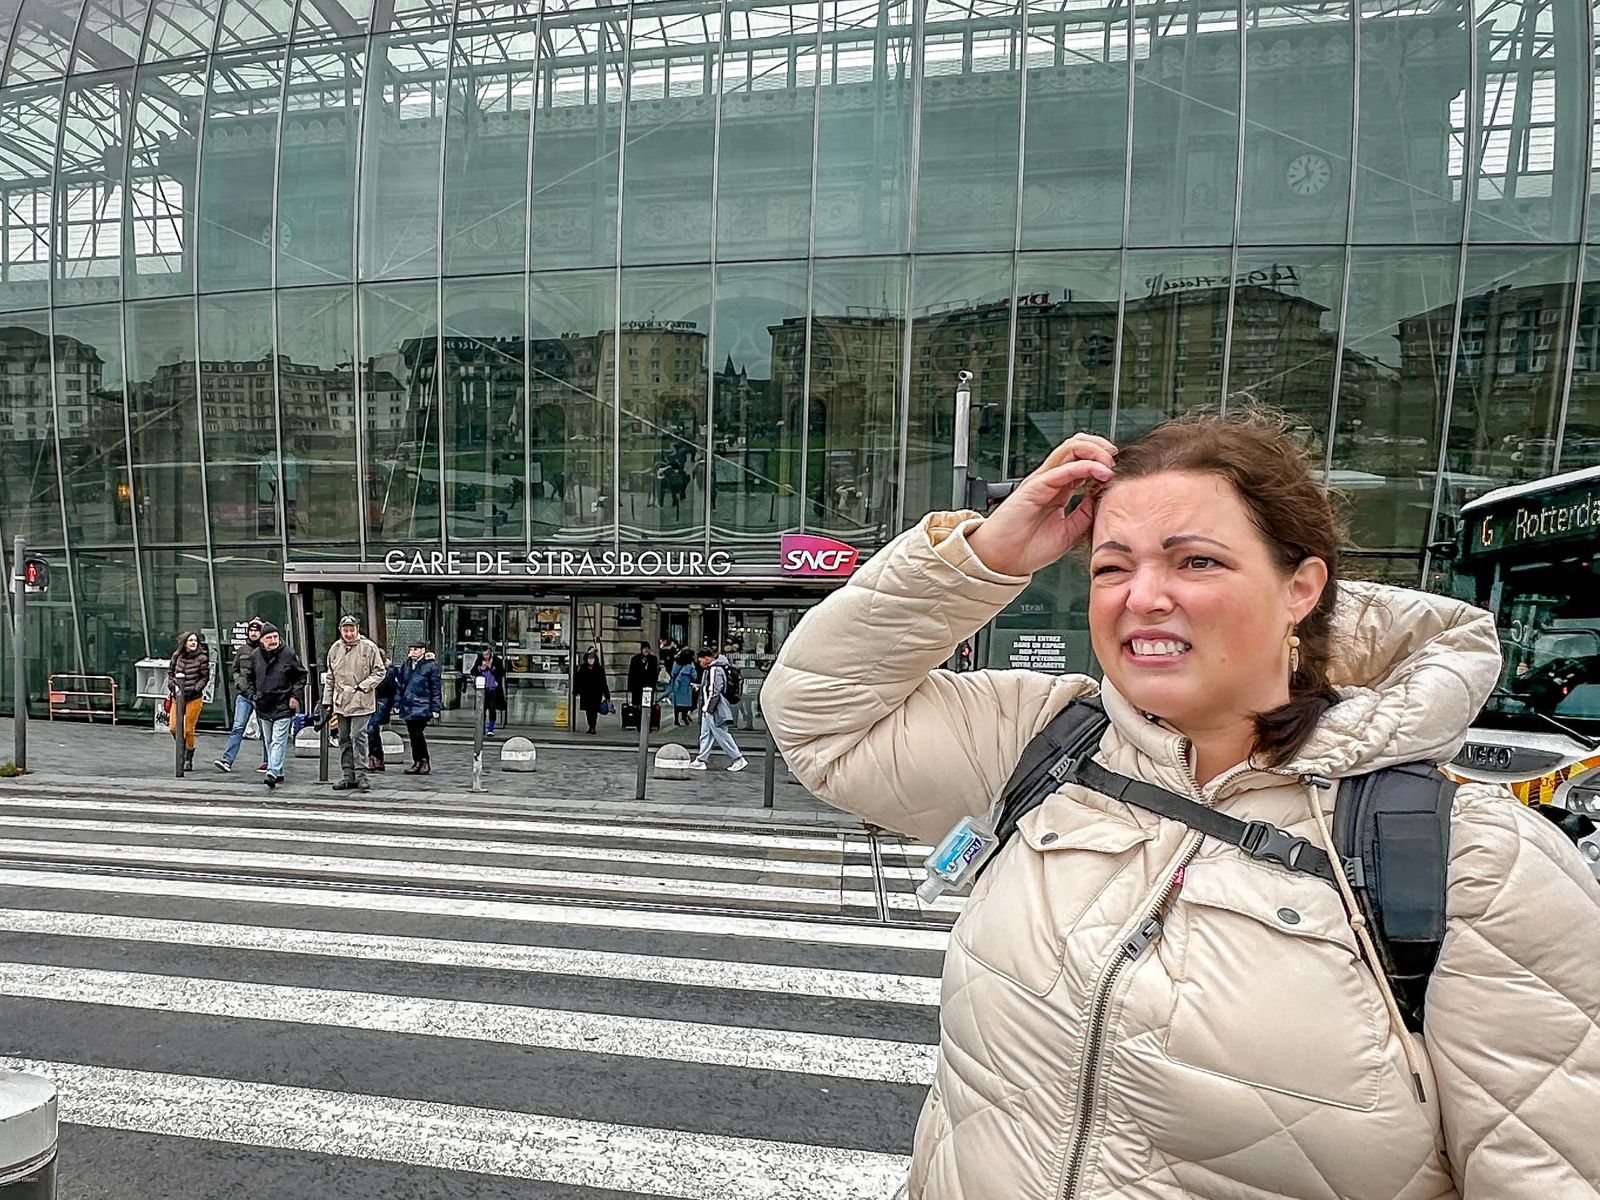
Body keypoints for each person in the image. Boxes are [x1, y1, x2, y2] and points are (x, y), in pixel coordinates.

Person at [760, 410, 1600, 1200]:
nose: (1142, 595)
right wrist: (985, 554)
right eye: (1111, 565)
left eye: (1196, 561)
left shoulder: (1476, 861)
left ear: (1302, 587)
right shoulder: (1047, 739)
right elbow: (821, 717)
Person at [322, 614, 386, 792]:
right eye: (345, 630)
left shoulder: (368, 647)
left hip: (361, 701)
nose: (349, 633)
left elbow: (380, 672)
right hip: (341, 702)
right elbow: (330, 677)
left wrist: (363, 686)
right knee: (343, 738)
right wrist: (327, 701)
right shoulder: (335, 649)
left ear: (357, 630)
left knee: (358, 735)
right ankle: (347, 774)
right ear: (340, 631)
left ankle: (362, 774)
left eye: (352, 630)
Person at [246, 623, 305, 790]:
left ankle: (272, 771)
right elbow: (248, 677)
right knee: (269, 740)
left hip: (283, 703)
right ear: (262, 641)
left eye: (275, 637)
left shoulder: (288, 654)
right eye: (268, 638)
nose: (273, 641)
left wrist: (295, 696)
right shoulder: (255, 656)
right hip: (263, 703)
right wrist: (253, 695)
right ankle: (278, 771)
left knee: (279, 739)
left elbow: (301, 676)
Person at [215, 617, 268, 773]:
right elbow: (235, 668)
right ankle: (227, 760)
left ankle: (268, 761)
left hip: (260, 695)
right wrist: (239, 682)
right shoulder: (242, 649)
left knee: (265, 730)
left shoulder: (266, 650)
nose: (253, 633)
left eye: (256, 630)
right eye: (251, 630)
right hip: (244, 695)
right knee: (238, 727)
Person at [689, 646, 746, 772]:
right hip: (710, 707)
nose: (700, 663)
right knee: (706, 734)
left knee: (721, 733)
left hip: (713, 707)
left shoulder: (715, 669)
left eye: (700, 660)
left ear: (707, 658)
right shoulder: (713, 668)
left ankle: (738, 758)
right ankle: (701, 759)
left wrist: (708, 708)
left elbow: (715, 691)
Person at [394, 641, 441, 774]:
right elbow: (400, 685)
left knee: (417, 733)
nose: (413, 652)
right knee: (413, 735)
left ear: (422, 651)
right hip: (408, 704)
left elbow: (435, 688)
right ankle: (417, 761)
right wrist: (397, 703)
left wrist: (435, 708)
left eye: (416, 649)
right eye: (411, 649)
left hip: (422, 704)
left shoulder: (430, 666)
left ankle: (424, 760)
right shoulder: (406, 665)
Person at [167, 631, 209, 772]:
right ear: (184, 642)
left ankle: (188, 757)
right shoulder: (176, 656)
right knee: (173, 727)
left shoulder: (202, 658)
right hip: (177, 696)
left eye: (195, 641)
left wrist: (196, 688)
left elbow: (205, 677)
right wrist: (172, 684)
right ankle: (182, 745)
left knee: (188, 728)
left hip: (193, 697)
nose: (193, 643)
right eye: (190, 640)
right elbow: (171, 673)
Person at [365, 660, 402, 771]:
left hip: (381, 701)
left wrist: (395, 704)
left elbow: (393, 689)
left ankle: (376, 758)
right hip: (371, 701)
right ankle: (374, 758)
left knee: (372, 727)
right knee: (371, 729)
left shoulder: (389, 672)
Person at [471, 647, 507, 734]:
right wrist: (480, 668)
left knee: (492, 708)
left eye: (487, 654)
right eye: (484, 654)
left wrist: (492, 667)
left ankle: (490, 728)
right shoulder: (479, 660)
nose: (486, 656)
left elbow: (502, 672)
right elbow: (472, 671)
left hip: (493, 688)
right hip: (482, 689)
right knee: (482, 709)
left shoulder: (497, 660)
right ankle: (481, 728)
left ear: (490, 652)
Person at [573, 650, 610, 734]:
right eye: (590, 654)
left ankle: (593, 726)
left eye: (593, 654)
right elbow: (578, 679)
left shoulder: (599, 667)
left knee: (594, 710)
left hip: (596, 692)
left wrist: (606, 694)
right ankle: (590, 725)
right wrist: (576, 690)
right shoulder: (583, 667)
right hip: (586, 692)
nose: (591, 656)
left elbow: (603, 681)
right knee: (588, 711)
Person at [627, 641, 660, 712]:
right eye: (644, 648)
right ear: (641, 649)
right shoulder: (635, 659)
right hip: (637, 687)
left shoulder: (653, 659)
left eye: (648, 648)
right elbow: (631, 673)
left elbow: (655, 673)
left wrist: (654, 685)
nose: (646, 650)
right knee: (636, 705)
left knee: (647, 706)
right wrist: (630, 687)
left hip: (648, 687)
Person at [668, 647, 697, 726]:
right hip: (686, 685)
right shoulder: (691, 664)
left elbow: (673, 673)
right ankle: (684, 717)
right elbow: (694, 675)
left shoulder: (676, 662)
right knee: (686, 703)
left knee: (677, 703)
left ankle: (676, 719)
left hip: (678, 685)